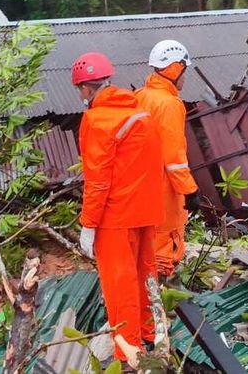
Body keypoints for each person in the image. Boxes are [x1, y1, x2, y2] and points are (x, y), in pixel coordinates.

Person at [72, 52, 164, 366]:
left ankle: (128, 355)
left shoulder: (97, 120)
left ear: (85, 89)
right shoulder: (139, 111)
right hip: (146, 212)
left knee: (120, 286)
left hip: (116, 218)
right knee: (144, 278)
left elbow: (97, 180)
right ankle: (148, 336)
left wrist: (88, 224)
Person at [135, 40, 200, 279]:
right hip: (162, 191)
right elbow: (174, 158)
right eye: (184, 70)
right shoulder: (169, 105)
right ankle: (160, 305)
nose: (185, 77)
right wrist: (190, 191)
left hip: (140, 189)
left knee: (143, 248)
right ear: (175, 68)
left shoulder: (140, 96)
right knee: (163, 251)